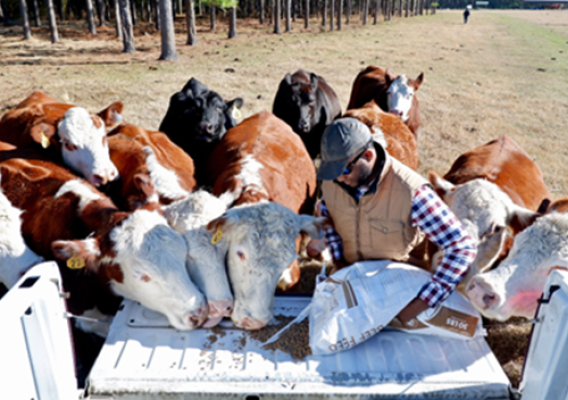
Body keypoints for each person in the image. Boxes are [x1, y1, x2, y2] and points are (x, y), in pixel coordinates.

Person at [307, 118, 476, 323]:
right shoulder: (333, 180)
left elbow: (462, 247)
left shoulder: (412, 193)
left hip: (401, 294)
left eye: (343, 171)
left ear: (368, 155)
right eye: (331, 172)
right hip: (352, 284)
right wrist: (340, 263)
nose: (338, 179)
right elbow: (328, 212)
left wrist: (418, 305)